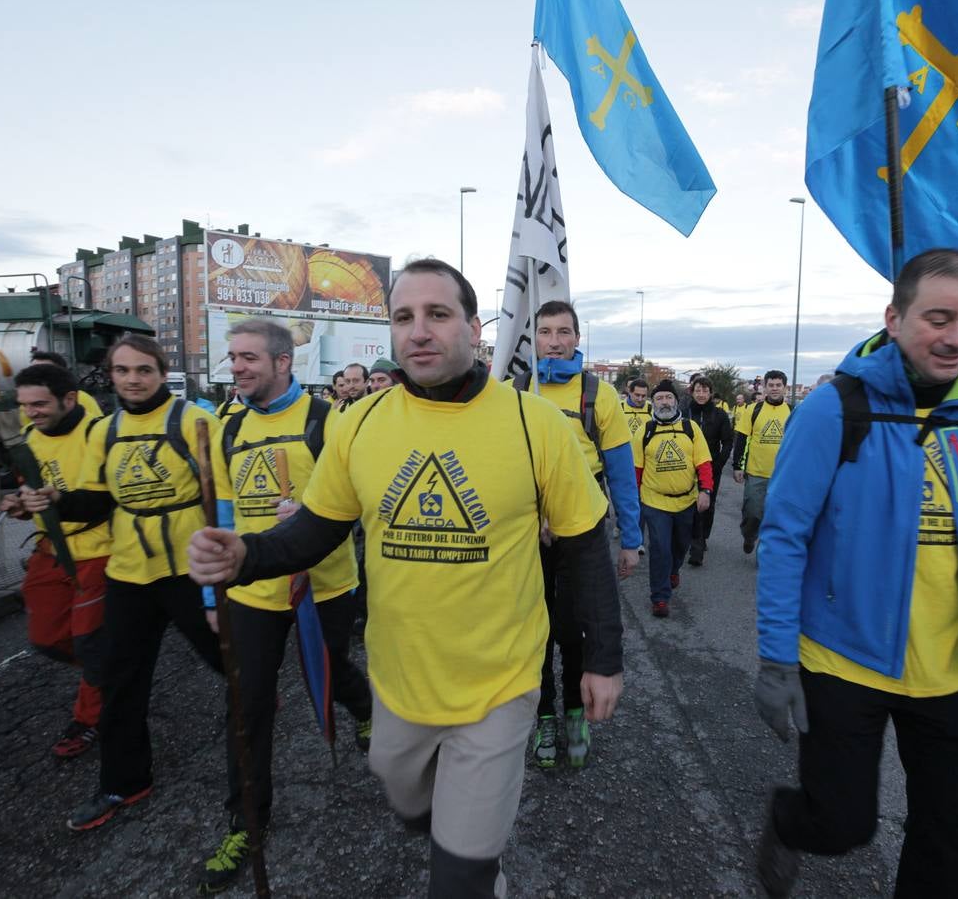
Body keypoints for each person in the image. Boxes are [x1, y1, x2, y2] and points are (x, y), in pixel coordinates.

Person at [190, 259, 624, 897]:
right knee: (404, 795)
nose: (419, 331)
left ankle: (473, 866)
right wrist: (245, 556)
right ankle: (459, 840)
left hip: (498, 682)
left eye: (438, 315)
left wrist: (603, 657)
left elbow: (586, 544)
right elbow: (317, 526)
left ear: (475, 328)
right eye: (403, 317)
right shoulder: (360, 422)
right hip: (400, 679)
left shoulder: (537, 427)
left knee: (460, 877)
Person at [752, 249, 958, 898]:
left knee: (951, 848)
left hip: (949, 671)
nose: (957, 337)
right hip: (841, 660)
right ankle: (787, 822)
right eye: (937, 318)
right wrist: (775, 661)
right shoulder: (835, 409)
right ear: (893, 316)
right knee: (839, 824)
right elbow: (784, 534)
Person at [20, 334, 224, 831]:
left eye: (143, 370)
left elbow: (224, 498)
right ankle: (123, 781)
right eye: (122, 371)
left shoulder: (197, 421)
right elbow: (98, 499)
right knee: (121, 679)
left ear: (160, 372)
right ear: (111, 376)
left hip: (186, 565)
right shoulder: (103, 430)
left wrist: (222, 566)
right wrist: (56, 501)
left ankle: (255, 694)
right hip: (129, 569)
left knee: (222, 654)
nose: (132, 380)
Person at [195, 319, 372, 893]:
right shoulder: (228, 429)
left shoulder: (329, 422)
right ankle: (246, 822)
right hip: (252, 589)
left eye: (249, 358)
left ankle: (364, 707)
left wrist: (314, 517)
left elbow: (361, 503)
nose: (238, 367)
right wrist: (212, 593)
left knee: (330, 669)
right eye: (233, 358)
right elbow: (223, 516)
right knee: (246, 706)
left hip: (324, 583)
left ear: (282, 363)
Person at [518, 299, 640, 770]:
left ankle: (574, 711)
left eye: (563, 332)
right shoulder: (519, 389)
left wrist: (630, 540)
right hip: (531, 532)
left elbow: (621, 473)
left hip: (582, 531)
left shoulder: (598, 394)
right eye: (545, 332)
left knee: (573, 626)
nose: (554, 340)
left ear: (576, 338)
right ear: (534, 338)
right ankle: (544, 715)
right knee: (535, 629)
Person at [2, 363, 111, 758]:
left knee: (91, 642)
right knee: (46, 639)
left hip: (99, 552)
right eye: (25, 405)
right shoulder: (28, 438)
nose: (31, 412)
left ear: (68, 399)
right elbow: (28, 490)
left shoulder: (100, 434)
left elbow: (106, 499)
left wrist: (57, 501)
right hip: (50, 552)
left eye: (40, 404)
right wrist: (18, 504)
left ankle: (90, 718)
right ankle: (108, 674)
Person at [633, 381, 713, 617]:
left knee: (680, 545)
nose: (664, 402)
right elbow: (636, 468)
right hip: (654, 501)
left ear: (676, 401)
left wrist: (705, 490)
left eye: (669, 397)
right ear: (653, 402)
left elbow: (703, 462)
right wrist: (633, 500)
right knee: (659, 549)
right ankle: (659, 597)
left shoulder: (690, 428)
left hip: (686, 501)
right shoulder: (644, 431)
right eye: (659, 398)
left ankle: (673, 570)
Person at [732, 370, 792, 555]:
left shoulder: (793, 411)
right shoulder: (753, 410)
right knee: (753, 513)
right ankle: (749, 536)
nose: (774, 389)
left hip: (783, 475)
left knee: (776, 517)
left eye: (778, 385)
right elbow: (741, 439)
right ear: (764, 387)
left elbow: (798, 442)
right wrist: (737, 466)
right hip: (756, 472)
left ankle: (764, 551)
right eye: (771, 385)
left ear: (785, 388)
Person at [683, 375, 733, 566]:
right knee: (688, 503)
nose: (701, 394)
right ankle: (691, 540)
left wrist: (719, 463)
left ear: (711, 393)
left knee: (707, 505)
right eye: (698, 390)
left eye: (705, 391)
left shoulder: (719, 415)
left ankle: (701, 539)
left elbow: (728, 441)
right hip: (687, 467)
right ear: (692, 392)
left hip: (712, 467)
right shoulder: (684, 412)